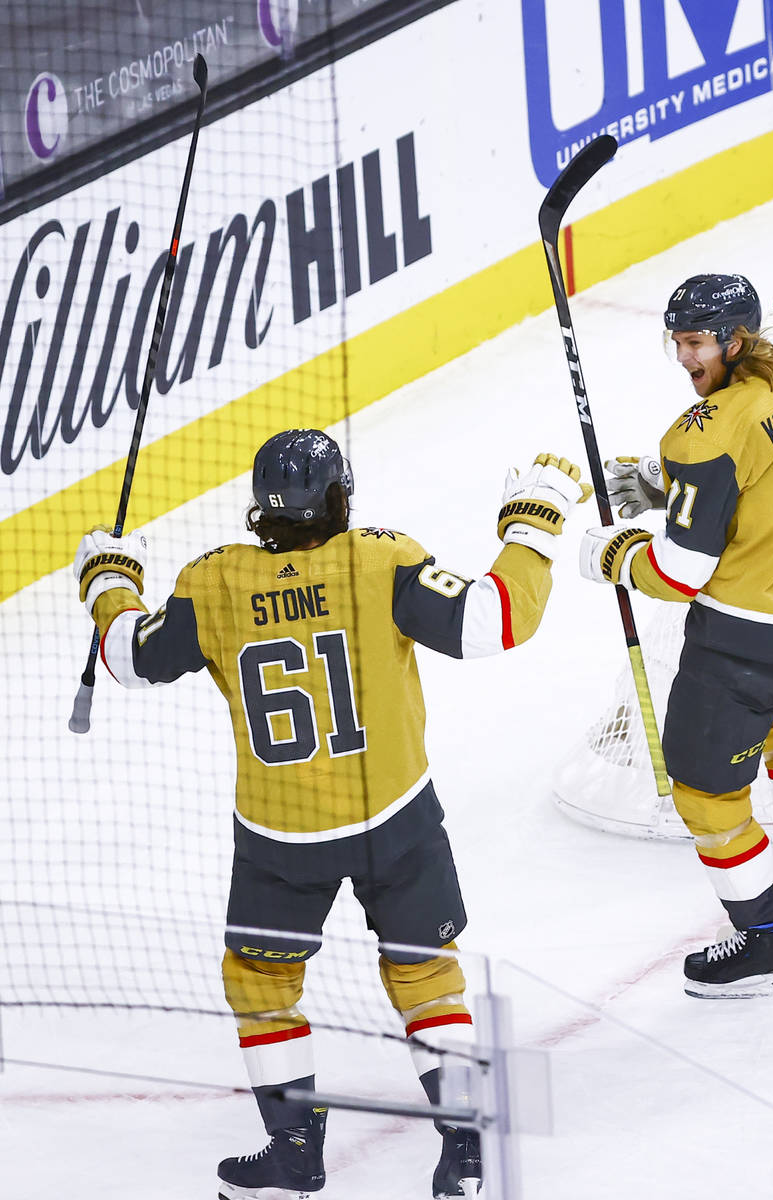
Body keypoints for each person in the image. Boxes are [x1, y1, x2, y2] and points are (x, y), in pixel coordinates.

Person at [73, 430, 591, 1198]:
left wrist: (108, 576)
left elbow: (127, 658)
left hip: (281, 836)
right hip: (397, 814)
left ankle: (292, 1155)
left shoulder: (213, 581)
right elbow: (494, 620)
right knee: (425, 977)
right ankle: (466, 1151)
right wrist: (533, 515)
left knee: (260, 984)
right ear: (340, 496)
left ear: (260, 509)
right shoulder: (379, 560)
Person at [578, 273, 773, 1000]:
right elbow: (754, 476)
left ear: (734, 341)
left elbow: (678, 574)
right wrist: (660, 479)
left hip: (742, 639)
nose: (682, 356)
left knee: (704, 795)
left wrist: (610, 557)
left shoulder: (697, 433)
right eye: (675, 340)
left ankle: (763, 942)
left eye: (695, 342)